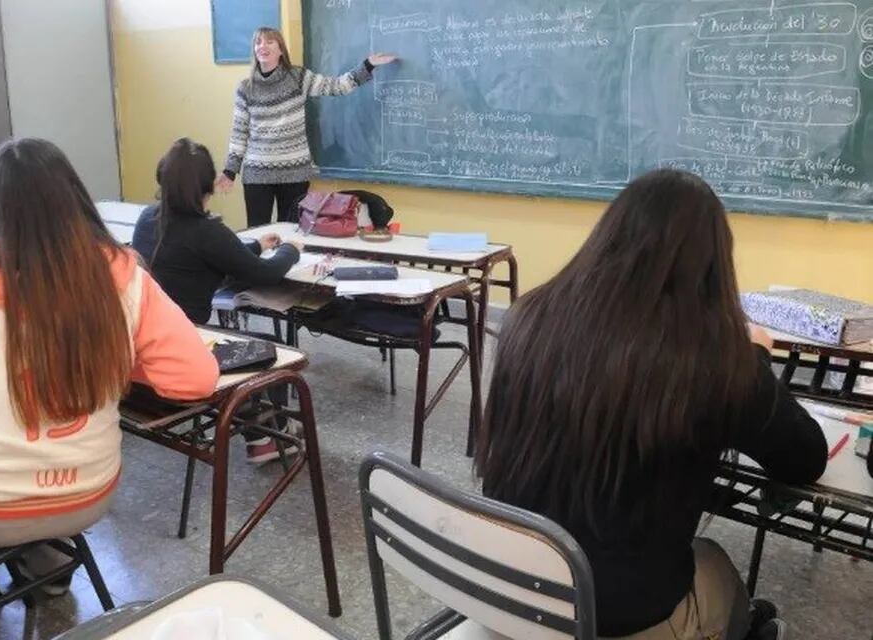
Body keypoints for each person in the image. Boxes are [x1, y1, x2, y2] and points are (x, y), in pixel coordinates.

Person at [476, 169, 827, 640]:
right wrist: (757, 357)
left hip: (505, 582)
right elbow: (804, 458)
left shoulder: (528, 317)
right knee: (717, 569)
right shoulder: (718, 358)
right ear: (713, 264)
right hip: (615, 615)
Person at [0, 138, 218, 592]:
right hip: (86, 498)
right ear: (76, 195)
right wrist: (112, 356)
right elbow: (197, 378)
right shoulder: (126, 274)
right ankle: (45, 556)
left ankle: (28, 552)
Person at [132, 137, 300, 464]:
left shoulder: (147, 219)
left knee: (245, 344)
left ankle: (262, 429)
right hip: (186, 349)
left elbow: (203, 259)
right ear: (207, 188)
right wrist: (290, 250)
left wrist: (255, 246)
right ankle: (265, 437)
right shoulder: (206, 231)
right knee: (272, 349)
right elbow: (264, 275)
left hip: (144, 351)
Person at [216, 26, 396, 227]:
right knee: (258, 232)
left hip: (295, 171)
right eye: (258, 42)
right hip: (257, 174)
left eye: (269, 41)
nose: (262, 46)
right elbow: (239, 133)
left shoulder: (298, 77)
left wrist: (368, 65)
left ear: (281, 50)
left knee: (292, 232)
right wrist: (230, 171)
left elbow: (335, 86)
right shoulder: (245, 88)